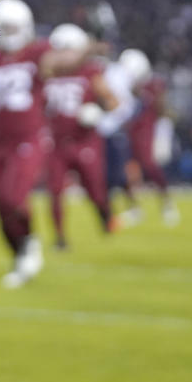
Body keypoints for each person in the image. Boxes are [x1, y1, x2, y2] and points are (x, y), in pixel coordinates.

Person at [0, 0, 90, 288]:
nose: (7, 32)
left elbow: (63, 62)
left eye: (11, 26)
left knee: (13, 197)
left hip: (28, 137)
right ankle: (20, 253)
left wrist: (90, 45)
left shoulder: (37, 52)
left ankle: (29, 244)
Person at [43, 23, 119, 249]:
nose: (64, 55)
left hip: (84, 140)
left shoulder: (90, 71)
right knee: (55, 190)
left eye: (69, 49)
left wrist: (98, 110)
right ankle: (60, 237)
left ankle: (105, 216)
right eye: (60, 50)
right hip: (56, 142)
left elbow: (113, 102)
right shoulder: (46, 71)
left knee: (95, 189)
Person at [119, 48, 179, 226]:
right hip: (128, 133)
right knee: (125, 172)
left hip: (146, 134)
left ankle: (166, 203)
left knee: (151, 169)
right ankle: (134, 208)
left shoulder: (153, 85)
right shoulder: (124, 84)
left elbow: (161, 109)